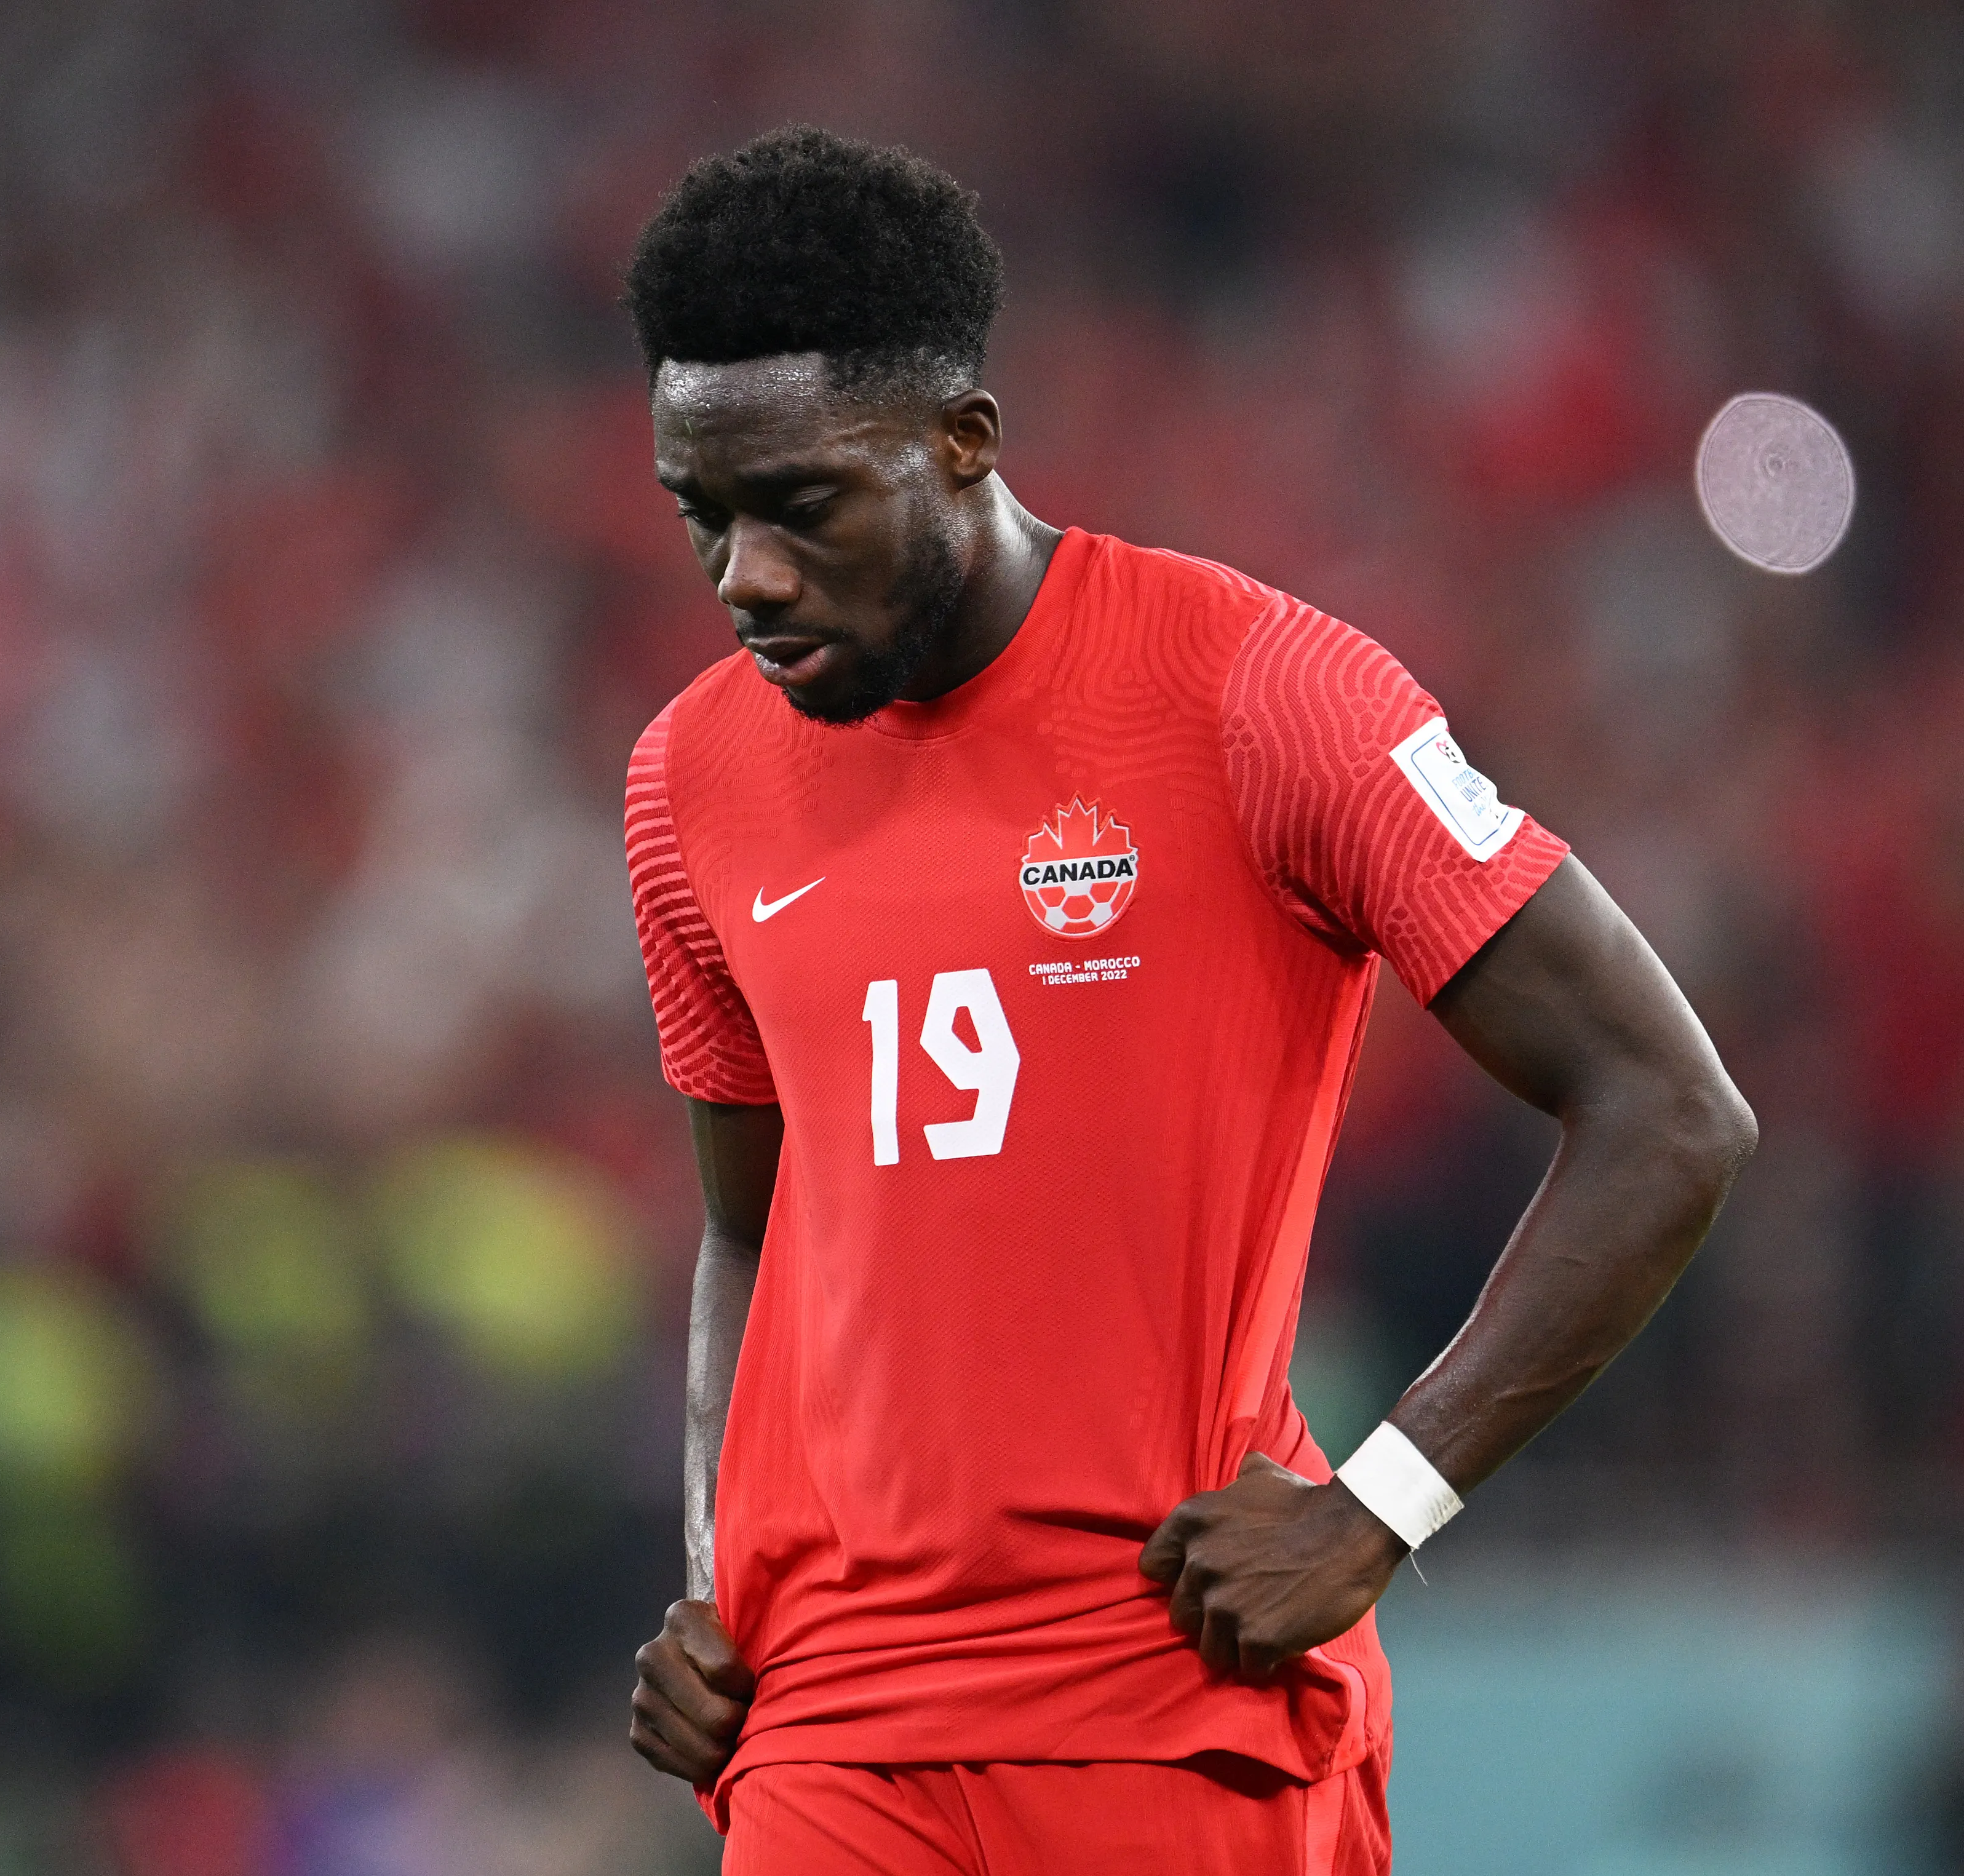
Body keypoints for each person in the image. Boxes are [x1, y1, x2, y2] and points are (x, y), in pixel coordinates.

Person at [619, 126, 1755, 1875]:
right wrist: (711, 1582)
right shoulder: (690, 775)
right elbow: (747, 1236)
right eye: (704, 516)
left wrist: (1382, 1504)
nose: (746, 578)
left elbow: (1667, 1111)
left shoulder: (1257, 693)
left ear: (961, 445)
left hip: (1165, 1697)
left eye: (803, 507)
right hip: (830, 1731)